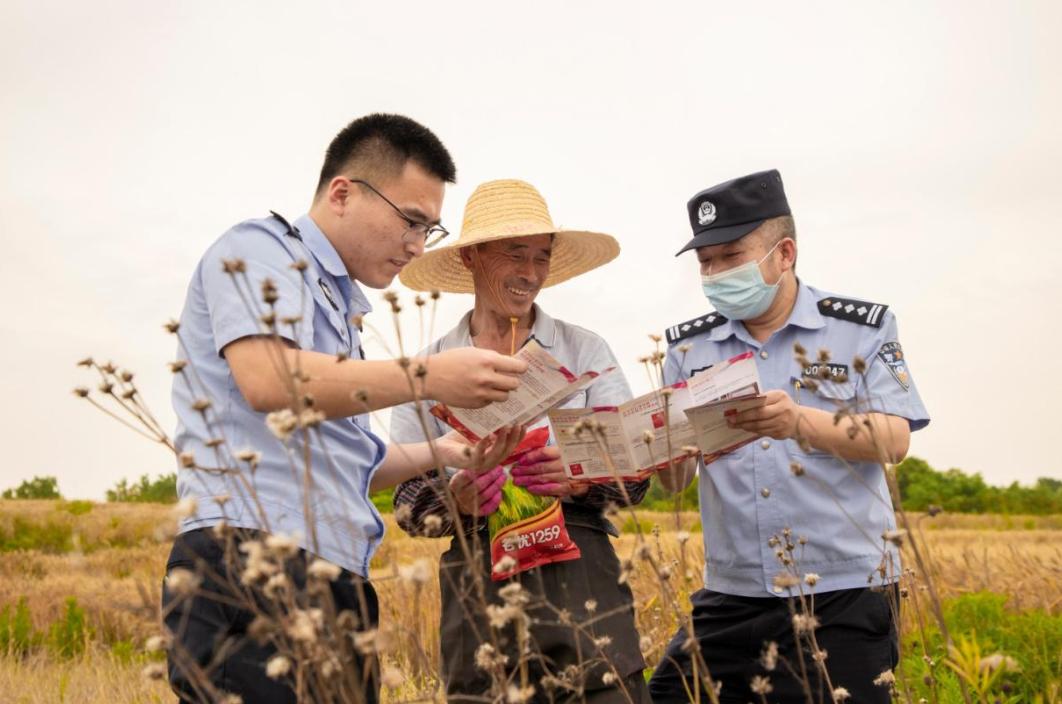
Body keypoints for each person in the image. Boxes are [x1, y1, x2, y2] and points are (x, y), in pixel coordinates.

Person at [164, 114, 529, 704]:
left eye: (429, 230)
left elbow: (346, 459)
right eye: (411, 221)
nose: (416, 245)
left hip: (332, 572)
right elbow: (268, 380)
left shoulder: (341, 305)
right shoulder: (260, 249)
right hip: (255, 559)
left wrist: (448, 452)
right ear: (343, 193)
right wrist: (429, 376)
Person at [649, 170, 929, 703]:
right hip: (733, 590)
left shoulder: (861, 328)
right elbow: (676, 478)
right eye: (705, 263)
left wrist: (798, 422)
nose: (715, 273)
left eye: (731, 256)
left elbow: (894, 439)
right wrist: (654, 453)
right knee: (666, 692)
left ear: (785, 253)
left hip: (843, 589)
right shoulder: (688, 347)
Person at [390, 179, 652, 703]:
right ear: (469, 257)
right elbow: (404, 502)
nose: (531, 273)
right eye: (515, 254)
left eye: (541, 257)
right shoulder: (428, 365)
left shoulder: (585, 350)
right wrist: (455, 500)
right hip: (477, 576)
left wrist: (578, 478)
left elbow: (637, 477)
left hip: (583, 576)